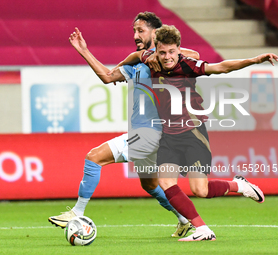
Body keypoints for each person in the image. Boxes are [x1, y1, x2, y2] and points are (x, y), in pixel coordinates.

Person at [110, 24, 277, 241]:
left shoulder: (189, 65)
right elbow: (135, 55)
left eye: (172, 52)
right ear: (157, 51)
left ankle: (239, 185)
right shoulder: (150, 60)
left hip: (192, 132)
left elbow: (222, 67)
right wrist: (119, 69)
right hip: (168, 134)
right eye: (162, 52)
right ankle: (203, 229)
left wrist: (254, 60)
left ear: (179, 49)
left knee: (201, 190)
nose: (167, 57)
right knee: (166, 182)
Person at [48, 12, 200, 237]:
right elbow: (108, 76)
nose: (136, 35)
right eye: (134, 31)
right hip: (147, 133)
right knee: (150, 185)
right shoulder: (138, 64)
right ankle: (185, 220)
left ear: (155, 33)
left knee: (94, 157)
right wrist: (84, 51)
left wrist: (149, 52)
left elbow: (194, 54)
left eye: (140, 30)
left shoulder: (166, 59)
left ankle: (77, 212)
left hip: (153, 132)